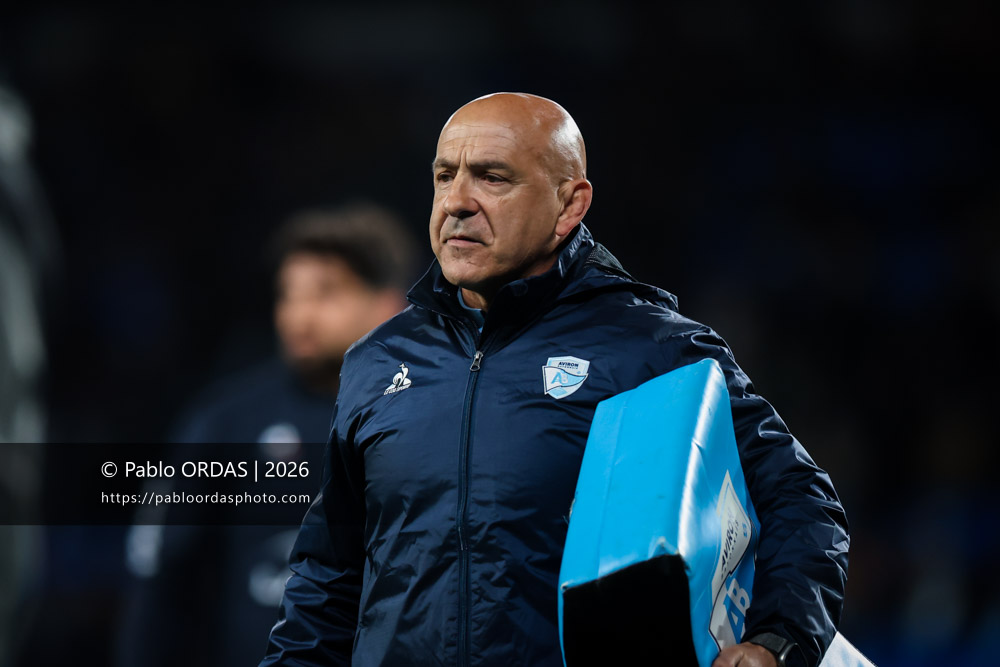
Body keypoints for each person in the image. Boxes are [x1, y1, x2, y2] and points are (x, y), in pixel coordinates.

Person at [260, 94, 849, 667]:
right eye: (445, 176)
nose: (457, 202)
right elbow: (329, 571)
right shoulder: (379, 359)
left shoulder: (650, 348)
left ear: (570, 204)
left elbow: (800, 499)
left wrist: (778, 639)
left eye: (492, 178)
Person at [116, 203, 417, 667]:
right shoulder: (227, 420)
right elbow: (158, 567)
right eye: (288, 295)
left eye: (324, 294)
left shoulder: (426, 417)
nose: (298, 315)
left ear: (387, 304)